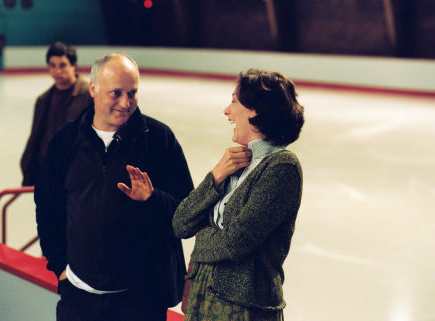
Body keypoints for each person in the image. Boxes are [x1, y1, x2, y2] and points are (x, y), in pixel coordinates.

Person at [35, 53, 194, 321]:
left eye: (132, 93)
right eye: (116, 93)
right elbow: (47, 207)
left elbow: (188, 213)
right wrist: (59, 265)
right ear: (94, 89)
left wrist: (153, 198)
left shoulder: (158, 140)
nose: (125, 103)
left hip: (140, 301)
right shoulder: (66, 141)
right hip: (78, 297)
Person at [173, 68, 304, 321]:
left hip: (245, 306)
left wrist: (201, 239)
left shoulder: (281, 167)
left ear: (254, 109)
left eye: (234, 101)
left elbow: (236, 243)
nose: (226, 111)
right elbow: (181, 224)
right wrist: (216, 176)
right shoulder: (237, 161)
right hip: (204, 294)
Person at [20, 41, 92, 186]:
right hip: (47, 169)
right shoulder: (43, 100)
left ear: (73, 66)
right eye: (52, 66)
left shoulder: (89, 96)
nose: (57, 71)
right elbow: (36, 136)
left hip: (75, 173)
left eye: (62, 65)